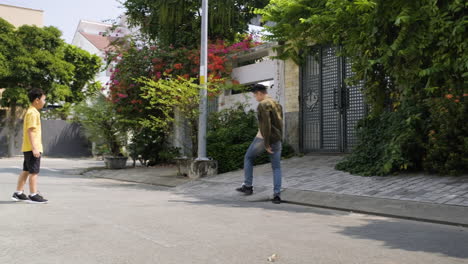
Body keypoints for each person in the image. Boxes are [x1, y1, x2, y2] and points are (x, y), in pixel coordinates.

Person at [236, 84, 284, 204]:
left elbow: (266, 125)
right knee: (276, 167)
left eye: (254, 95)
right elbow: (280, 122)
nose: (255, 98)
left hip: (264, 139)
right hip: (277, 138)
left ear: (259, 93)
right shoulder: (276, 103)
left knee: (248, 157)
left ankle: (248, 186)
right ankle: (277, 195)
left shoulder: (262, 105)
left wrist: (266, 143)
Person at [11, 88, 48, 204]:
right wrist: (35, 148)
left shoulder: (31, 111)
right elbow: (31, 131)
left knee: (26, 170)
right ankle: (33, 194)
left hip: (28, 147)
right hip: (33, 148)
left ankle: (18, 193)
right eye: (43, 99)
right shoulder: (33, 113)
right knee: (34, 172)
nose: (44, 102)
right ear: (37, 100)